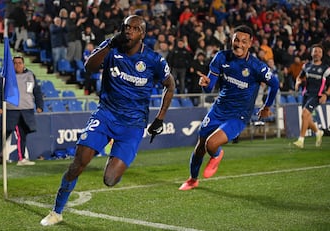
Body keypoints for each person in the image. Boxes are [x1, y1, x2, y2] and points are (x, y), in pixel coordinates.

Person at [40, 15, 175, 226]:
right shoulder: (112, 47)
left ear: (142, 34)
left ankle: (115, 158)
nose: (129, 31)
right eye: (126, 27)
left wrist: (160, 118)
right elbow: (89, 66)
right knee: (79, 163)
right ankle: (57, 211)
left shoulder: (153, 60)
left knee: (110, 180)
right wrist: (110, 43)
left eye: (134, 28)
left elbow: (170, 85)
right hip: (105, 115)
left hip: (133, 125)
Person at [178, 25, 279, 191]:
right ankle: (192, 179)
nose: (239, 44)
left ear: (250, 43)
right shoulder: (221, 57)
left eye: (243, 41)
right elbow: (209, 88)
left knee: (211, 144)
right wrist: (204, 84)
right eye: (236, 40)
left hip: (238, 115)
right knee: (200, 145)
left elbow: (274, 84)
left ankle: (217, 154)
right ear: (231, 40)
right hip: (219, 109)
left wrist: (267, 107)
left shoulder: (256, 66)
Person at [0, 55, 44, 167]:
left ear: (23, 64)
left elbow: (36, 91)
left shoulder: (30, 76)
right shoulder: (5, 77)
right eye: (15, 63)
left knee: (22, 135)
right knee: (3, 134)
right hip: (10, 110)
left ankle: (21, 158)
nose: (17, 65)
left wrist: (39, 105)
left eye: (20, 63)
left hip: (26, 110)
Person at [293, 44, 330, 149]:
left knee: (305, 114)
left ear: (322, 54)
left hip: (317, 95)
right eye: (315, 51)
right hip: (306, 94)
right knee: (306, 117)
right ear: (311, 53)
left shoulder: (326, 69)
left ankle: (301, 140)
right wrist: (297, 83)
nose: (317, 53)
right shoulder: (306, 66)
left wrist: (326, 94)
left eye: (319, 51)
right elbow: (299, 77)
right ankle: (318, 132)